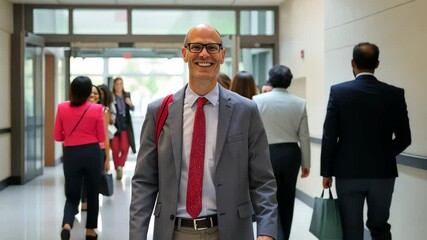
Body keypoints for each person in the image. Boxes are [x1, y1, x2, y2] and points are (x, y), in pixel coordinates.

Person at [130, 24, 277, 240]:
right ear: (184, 53)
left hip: (230, 231)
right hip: (174, 232)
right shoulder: (159, 111)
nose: (204, 54)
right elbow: (144, 182)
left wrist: (267, 231)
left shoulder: (246, 110)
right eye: (196, 47)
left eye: (212, 47)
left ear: (222, 54)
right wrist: (136, 235)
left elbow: (263, 180)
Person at [321, 42, 411, 240]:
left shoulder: (338, 92)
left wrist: (327, 172)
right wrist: (384, 154)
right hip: (383, 173)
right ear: (377, 64)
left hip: (347, 172)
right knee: (379, 227)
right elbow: (405, 138)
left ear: (352, 63)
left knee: (351, 229)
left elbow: (329, 136)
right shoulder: (395, 94)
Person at [253, 65, 311, 240]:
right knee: (287, 198)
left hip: (266, 154)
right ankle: (284, 235)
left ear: (271, 79)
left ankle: (269, 235)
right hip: (291, 155)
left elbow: (253, 134)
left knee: (267, 198)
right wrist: (306, 164)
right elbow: (305, 137)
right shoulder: (300, 103)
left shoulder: (257, 100)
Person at [54, 76, 106, 240]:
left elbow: (57, 136)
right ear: (88, 91)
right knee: (92, 193)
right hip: (92, 153)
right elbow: (101, 137)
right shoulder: (97, 109)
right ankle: (90, 230)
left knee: (72, 194)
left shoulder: (62, 108)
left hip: (71, 154)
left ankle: (67, 224)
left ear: (72, 90)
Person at [111, 77, 136, 180]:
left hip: (125, 125)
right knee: (115, 149)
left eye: (120, 84)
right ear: (114, 85)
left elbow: (132, 108)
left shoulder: (127, 95)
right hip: (115, 126)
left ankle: (120, 166)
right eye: (117, 84)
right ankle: (117, 169)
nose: (119, 86)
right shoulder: (111, 96)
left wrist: (130, 103)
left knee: (125, 148)